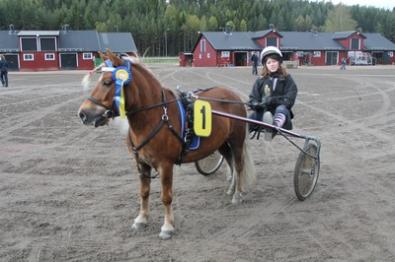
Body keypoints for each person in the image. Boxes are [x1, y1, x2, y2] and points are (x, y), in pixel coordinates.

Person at [248, 46, 298, 141]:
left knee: (281, 108)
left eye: (274, 61)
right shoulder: (260, 80)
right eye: (269, 62)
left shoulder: (287, 79)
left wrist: (273, 100)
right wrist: (255, 104)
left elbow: (289, 100)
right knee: (250, 119)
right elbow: (253, 98)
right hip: (263, 113)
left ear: (279, 62)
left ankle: (272, 128)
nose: (272, 64)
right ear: (265, 65)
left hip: (281, 114)